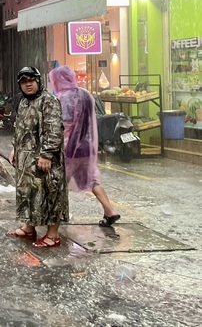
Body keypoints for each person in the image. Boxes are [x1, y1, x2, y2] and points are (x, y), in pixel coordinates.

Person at [49, 65, 121, 227]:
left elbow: (66, 123)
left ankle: (55, 216)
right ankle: (110, 211)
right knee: (92, 179)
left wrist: (57, 143)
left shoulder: (65, 97)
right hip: (87, 146)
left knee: (58, 181)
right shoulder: (85, 94)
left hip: (71, 148)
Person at [7, 66, 69, 248]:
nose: (28, 85)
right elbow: (20, 127)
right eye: (24, 82)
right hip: (26, 160)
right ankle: (28, 228)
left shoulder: (48, 101)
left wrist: (47, 154)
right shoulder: (24, 102)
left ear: (38, 82)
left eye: (31, 81)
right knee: (29, 193)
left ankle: (53, 235)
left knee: (51, 194)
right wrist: (15, 148)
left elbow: (54, 129)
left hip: (46, 161)